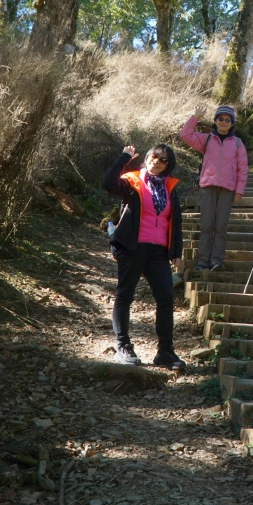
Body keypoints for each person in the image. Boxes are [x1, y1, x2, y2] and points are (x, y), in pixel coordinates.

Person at [102, 143, 185, 369]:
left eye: (163, 159)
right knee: (125, 296)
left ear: (168, 166)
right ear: (147, 157)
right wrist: (124, 158)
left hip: (158, 251)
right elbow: (108, 183)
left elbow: (175, 221)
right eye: (153, 155)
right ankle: (123, 347)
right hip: (132, 247)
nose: (156, 160)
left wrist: (176, 252)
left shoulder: (170, 188)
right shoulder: (132, 182)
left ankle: (165, 352)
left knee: (166, 298)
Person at [179, 105, 248, 272]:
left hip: (227, 189)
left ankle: (217, 261)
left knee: (221, 226)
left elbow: (242, 169)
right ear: (215, 121)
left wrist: (239, 190)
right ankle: (202, 262)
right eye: (220, 119)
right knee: (206, 225)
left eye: (227, 120)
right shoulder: (207, 139)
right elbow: (185, 135)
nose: (223, 122)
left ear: (232, 123)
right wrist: (195, 117)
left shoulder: (238, 144)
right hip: (207, 187)